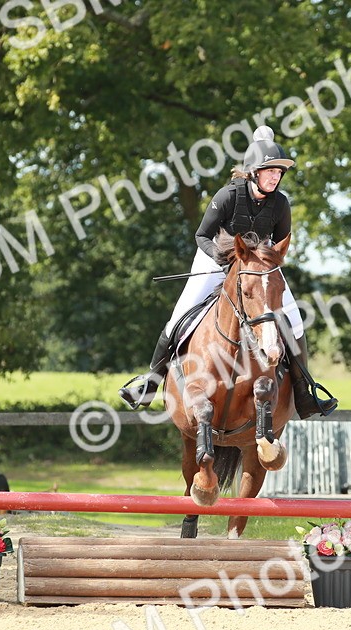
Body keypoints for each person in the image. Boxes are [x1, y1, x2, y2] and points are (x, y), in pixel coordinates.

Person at [118, 126, 338, 419]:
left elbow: (279, 245)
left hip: (259, 269)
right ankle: (150, 383)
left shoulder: (281, 203)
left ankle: (303, 393)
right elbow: (202, 236)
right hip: (216, 261)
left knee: (295, 322)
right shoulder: (228, 196)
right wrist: (225, 262)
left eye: (278, 173)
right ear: (253, 172)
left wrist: (266, 266)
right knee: (178, 318)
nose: (275, 177)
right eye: (270, 171)